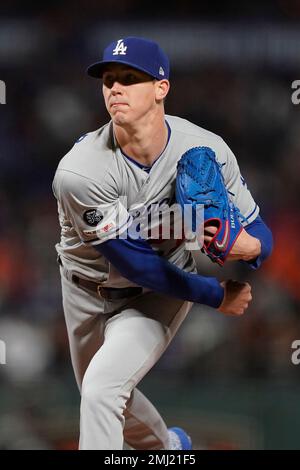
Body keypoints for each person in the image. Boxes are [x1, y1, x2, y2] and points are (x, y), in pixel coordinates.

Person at [52, 36, 273, 450]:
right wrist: (215, 295)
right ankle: (169, 450)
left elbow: (261, 231)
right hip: (84, 288)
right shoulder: (80, 172)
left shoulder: (204, 149)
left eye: (129, 78)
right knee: (102, 392)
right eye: (108, 79)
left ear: (161, 87)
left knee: (101, 389)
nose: (114, 88)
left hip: (160, 292)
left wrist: (250, 246)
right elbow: (134, 262)